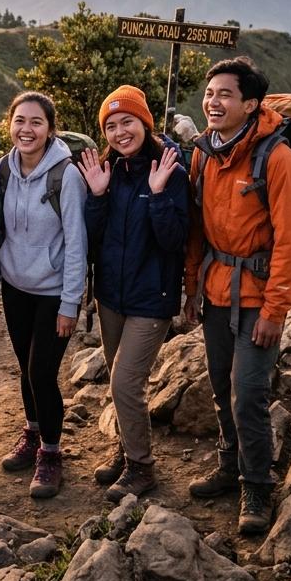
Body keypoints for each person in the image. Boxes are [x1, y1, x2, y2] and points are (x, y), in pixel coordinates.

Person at [184, 57, 291, 534]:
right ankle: (229, 465)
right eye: (210, 93)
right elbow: (197, 230)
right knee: (219, 385)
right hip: (216, 291)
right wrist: (192, 289)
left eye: (225, 95)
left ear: (251, 104)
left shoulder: (278, 160)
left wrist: (276, 311)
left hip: (259, 297)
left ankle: (257, 485)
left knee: (249, 393)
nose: (213, 102)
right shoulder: (205, 153)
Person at [80, 85, 189, 502]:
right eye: (111, 125)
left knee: (127, 382)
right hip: (111, 296)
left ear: (145, 122)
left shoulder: (172, 171)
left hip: (151, 298)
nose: (120, 131)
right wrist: (97, 195)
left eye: (127, 121)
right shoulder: (110, 172)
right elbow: (93, 239)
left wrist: (159, 194)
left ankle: (142, 468)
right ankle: (127, 452)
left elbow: (175, 240)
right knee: (117, 380)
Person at [0, 92, 87, 498]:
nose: (27, 129)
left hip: (51, 291)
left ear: (50, 129)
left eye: (36, 122)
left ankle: (51, 454)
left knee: (42, 373)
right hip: (14, 286)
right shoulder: (2, 170)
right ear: (9, 124)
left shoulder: (67, 176)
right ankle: (32, 432)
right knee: (26, 368)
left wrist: (69, 303)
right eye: (20, 121)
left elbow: (77, 244)